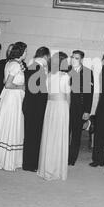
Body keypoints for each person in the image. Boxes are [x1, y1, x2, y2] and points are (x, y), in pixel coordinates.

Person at [38, 52, 71, 180]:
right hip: (60, 106)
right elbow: (67, 96)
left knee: (49, 135)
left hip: (50, 106)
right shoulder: (65, 76)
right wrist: (68, 109)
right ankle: (56, 169)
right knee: (59, 136)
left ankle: (47, 167)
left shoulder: (48, 76)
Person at [0, 42, 27, 171]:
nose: (26, 53)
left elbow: (4, 81)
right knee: (12, 125)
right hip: (12, 99)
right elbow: (7, 84)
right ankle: (9, 162)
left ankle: (4, 159)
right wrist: (22, 86)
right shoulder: (16, 65)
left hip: (9, 98)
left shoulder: (9, 63)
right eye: (25, 51)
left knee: (8, 126)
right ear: (20, 52)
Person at [22, 47, 50, 172]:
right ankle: (31, 164)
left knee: (29, 135)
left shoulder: (30, 67)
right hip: (36, 107)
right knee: (34, 136)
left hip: (29, 105)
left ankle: (29, 163)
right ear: (45, 57)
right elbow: (41, 93)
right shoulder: (38, 69)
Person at [68, 50, 94, 166]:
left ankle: (72, 159)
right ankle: (63, 155)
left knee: (76, 135)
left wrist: (87, 111)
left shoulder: (88, 73)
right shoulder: (66, 70)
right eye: (72, 57)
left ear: (81, 60)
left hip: (80, 108)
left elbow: (90, 94)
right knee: (64, 133)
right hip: (66, 107)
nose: (74, 60)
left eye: (76, 58)